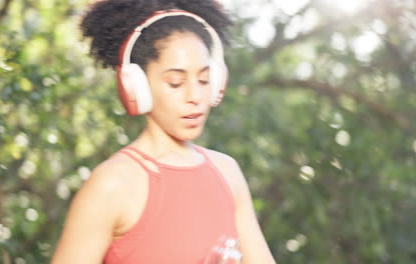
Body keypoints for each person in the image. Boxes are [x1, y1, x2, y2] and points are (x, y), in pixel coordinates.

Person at [51, 0, 276, 263]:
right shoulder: (111, 185)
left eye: (204, 80)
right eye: (176, 83)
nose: (195, 96)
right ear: (137, 86)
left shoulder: (227, 174)